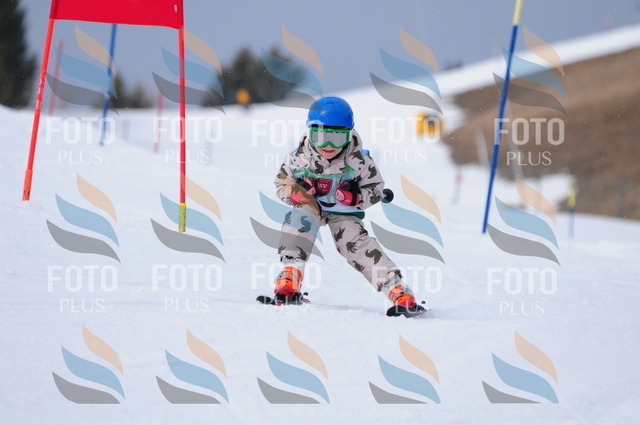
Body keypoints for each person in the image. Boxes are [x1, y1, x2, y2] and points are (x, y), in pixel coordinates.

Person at [268, 96, 424, 317]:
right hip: (311, 206)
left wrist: (355, 198)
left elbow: (375, 188)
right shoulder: (298, 158)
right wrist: (299, 192)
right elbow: (282, 183)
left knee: (355, 244)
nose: (328, 146)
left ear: (349, 135)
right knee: (298, 221)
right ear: (310, 132)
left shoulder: (359, 161)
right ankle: (290, 276)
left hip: (344, 213)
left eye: (337, 138)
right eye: (320, 137)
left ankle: (397, 290)